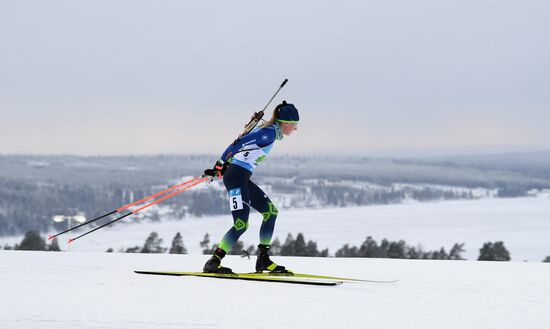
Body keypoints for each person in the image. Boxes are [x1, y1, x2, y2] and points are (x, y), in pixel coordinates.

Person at [202, 101, 299, 274]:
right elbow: (237, 144)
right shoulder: (268, 134)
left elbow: (243, 150)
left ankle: (263, 259)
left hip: (240, 176)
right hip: (236, 178)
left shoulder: (267, 132)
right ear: (285, 123)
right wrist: (220, 164)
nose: (296, 129)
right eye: (294, 125)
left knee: (271, 212)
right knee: (241, 224)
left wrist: (225, 166)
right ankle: (214, 262)